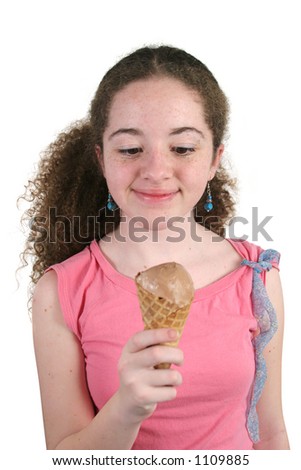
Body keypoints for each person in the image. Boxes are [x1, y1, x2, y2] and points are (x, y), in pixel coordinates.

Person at [22, 45, 289, 450]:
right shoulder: (61, 291)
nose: (156, 171)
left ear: (215, 159)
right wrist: (126, 407)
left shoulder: (256, 276)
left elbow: (271, 434)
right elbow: (62, 456)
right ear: (102, 158)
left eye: (182, 148)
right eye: (130, 149)